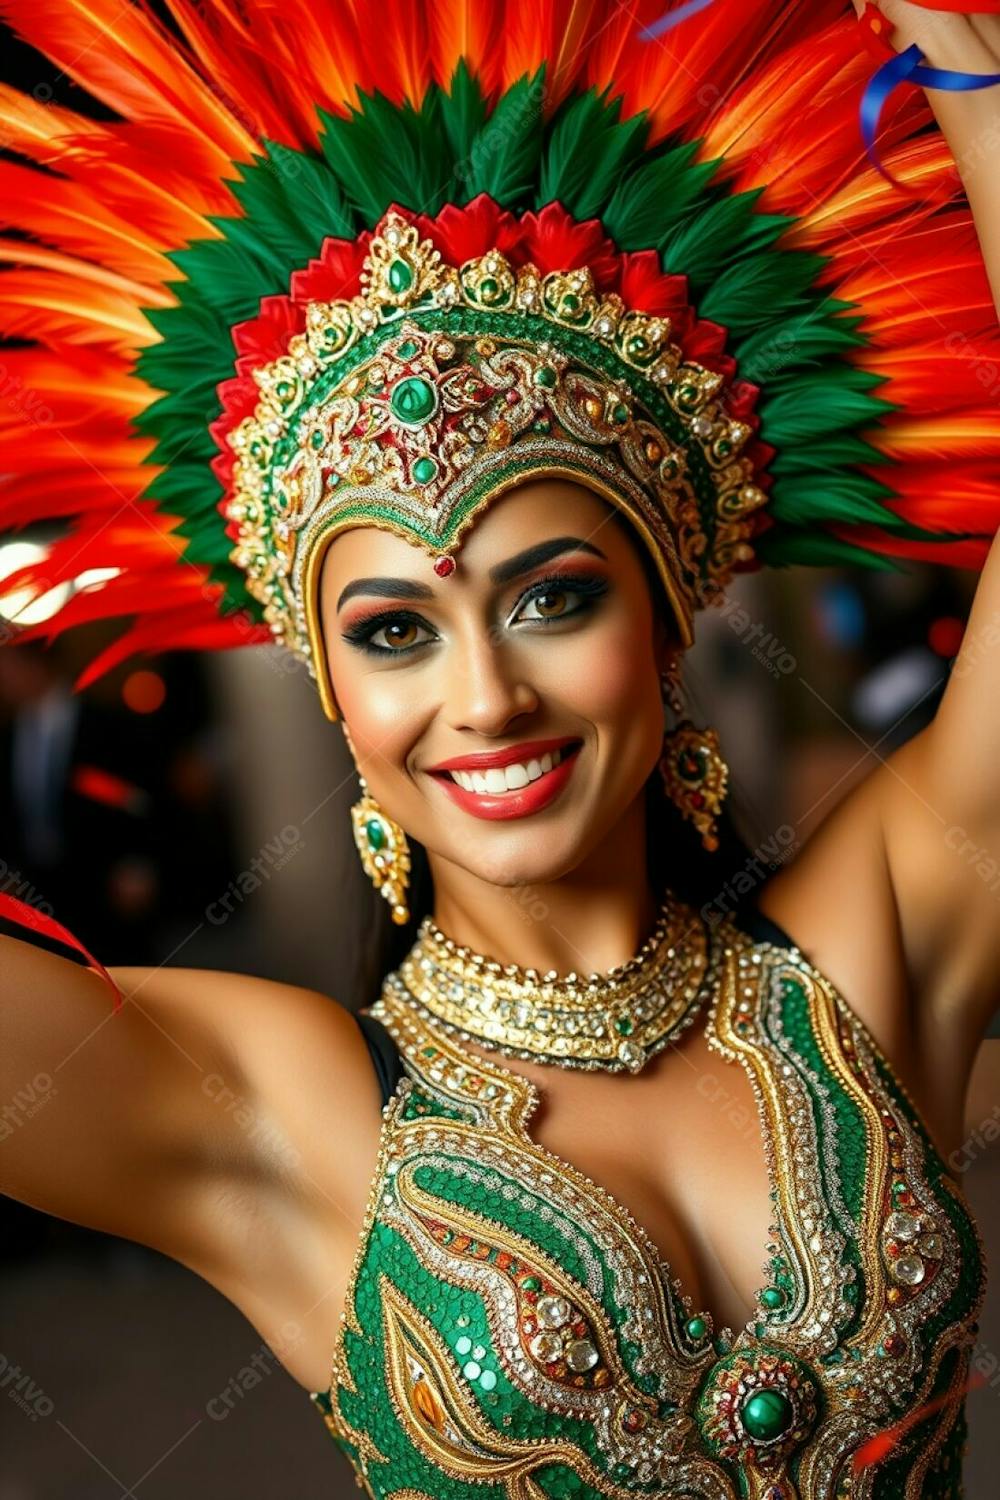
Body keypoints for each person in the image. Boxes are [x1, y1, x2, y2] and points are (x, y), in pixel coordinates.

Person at [0, 0, 999, 1493]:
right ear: (335, 691)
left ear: (667, 618)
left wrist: (964, 58)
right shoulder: (290, 1117)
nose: (485, 698)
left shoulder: (877, 958)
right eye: (395, 630)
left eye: (553, 599)